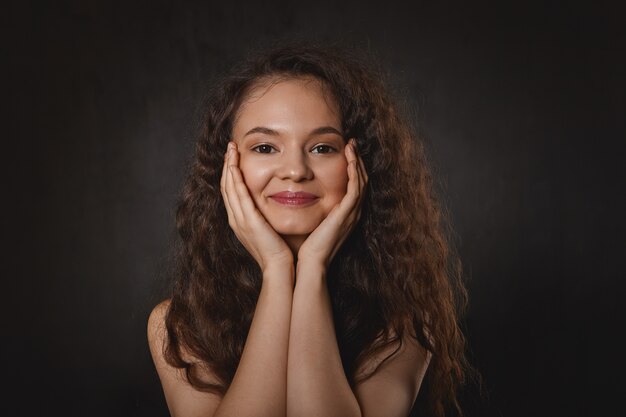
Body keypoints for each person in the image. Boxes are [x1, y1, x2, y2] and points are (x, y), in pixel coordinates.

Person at [148, 42, 470, 417]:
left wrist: (313, 267)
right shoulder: (178, 326)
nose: (296, 170)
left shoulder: (401, 327)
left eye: (322, 148)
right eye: (266, 147)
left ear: (359, 166)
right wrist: (277, 268)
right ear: (226, 166)